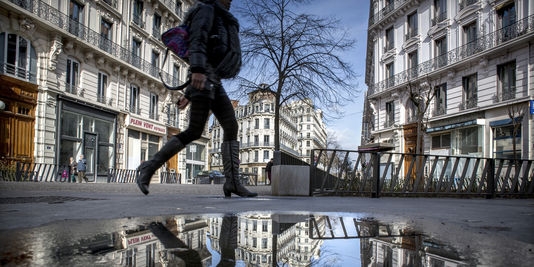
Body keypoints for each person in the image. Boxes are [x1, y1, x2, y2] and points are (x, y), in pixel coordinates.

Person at [136, 0, 257, 198]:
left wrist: (190, 92)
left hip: (212, 80)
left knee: (231, 125)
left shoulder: (220, 17)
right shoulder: (207, 10)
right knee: (194, 130)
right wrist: (198, 70)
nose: (231, 1)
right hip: (205, 76)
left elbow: (211, 49)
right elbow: (197, 40)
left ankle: (232, 183)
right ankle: (149, 167)